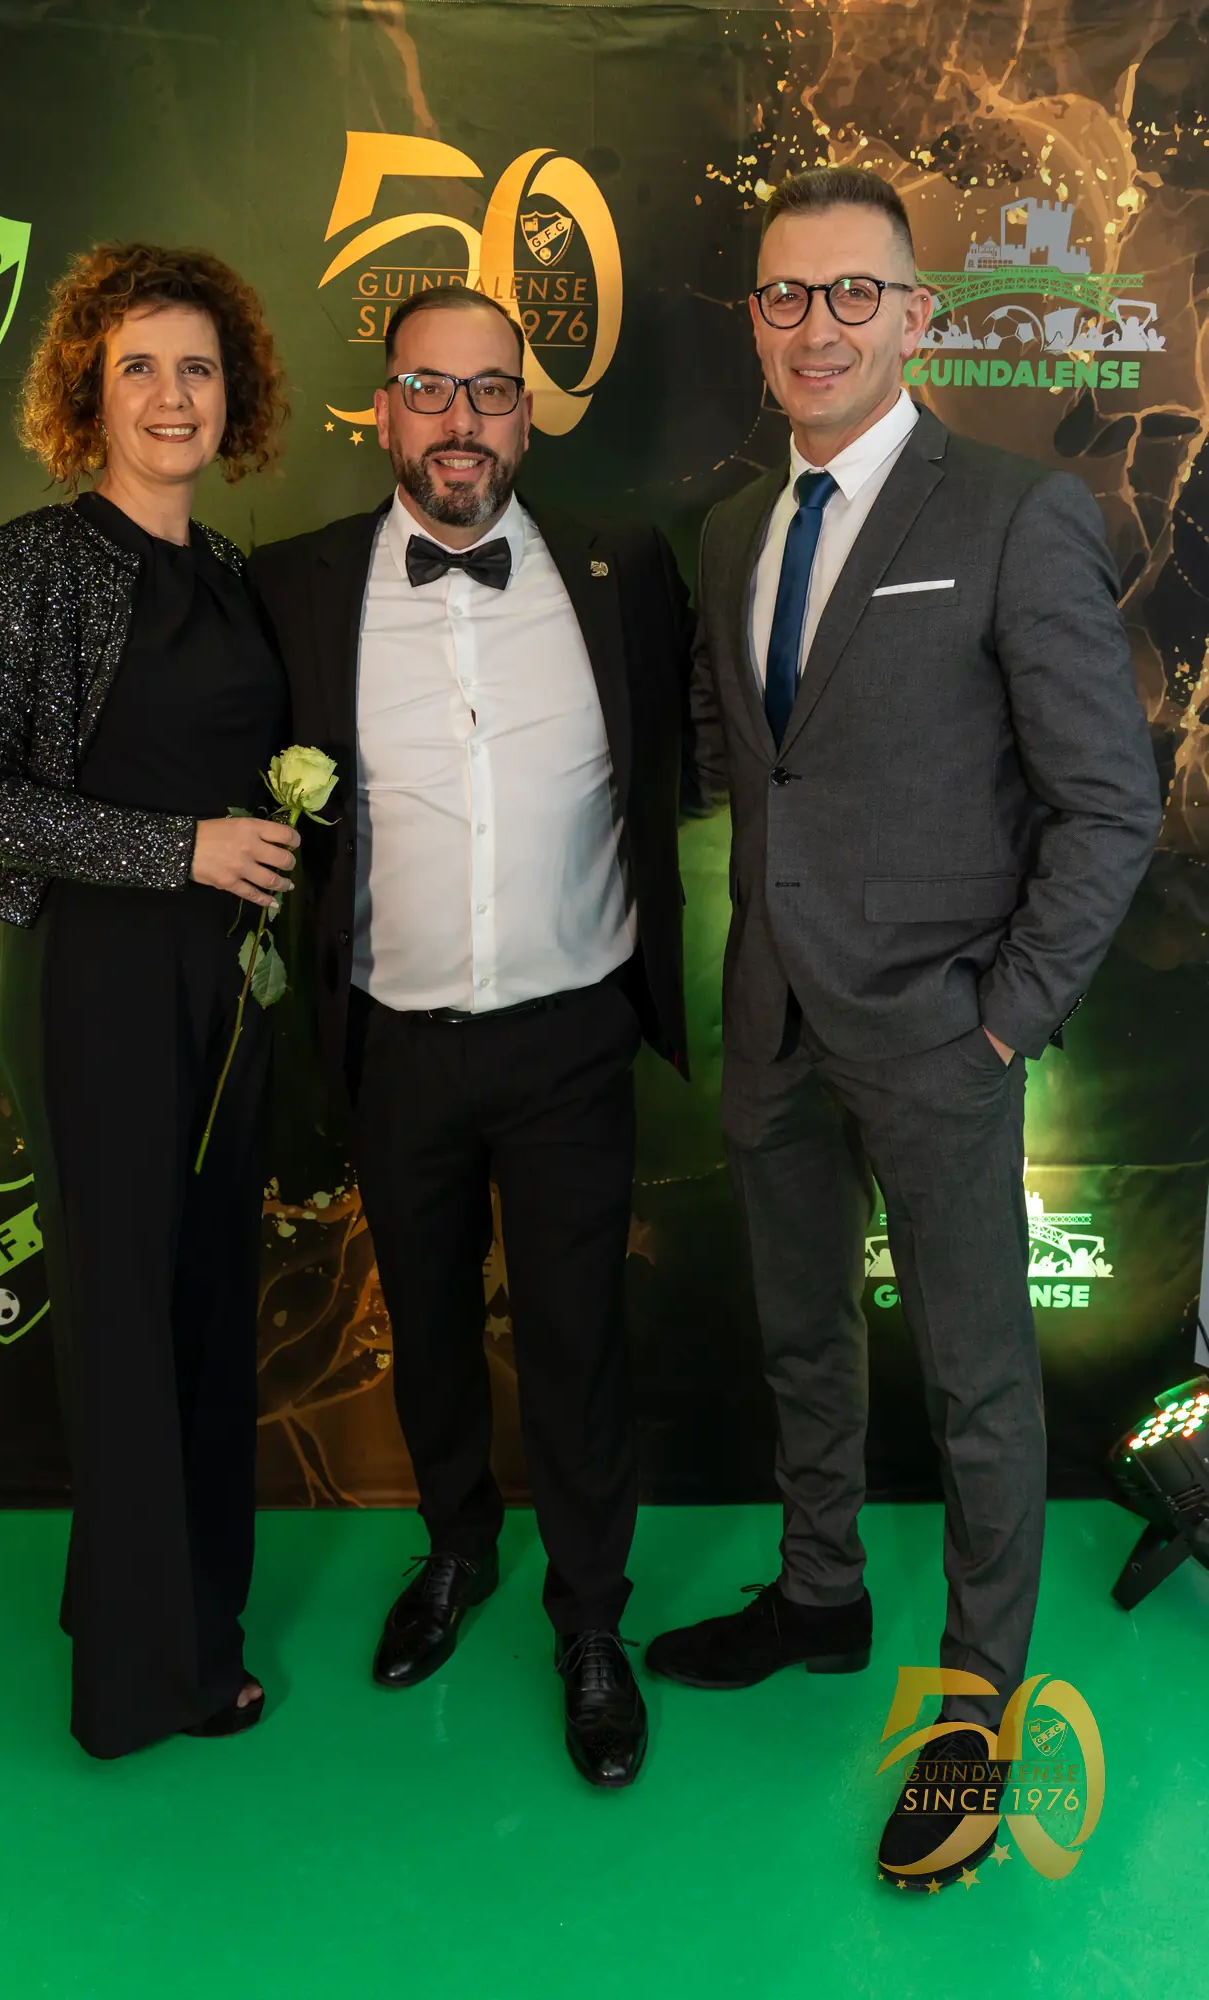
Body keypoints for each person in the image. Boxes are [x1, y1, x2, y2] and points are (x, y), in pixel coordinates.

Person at [649, 168, 1162, 1881]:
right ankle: (820, 1596)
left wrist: (1004, 1023)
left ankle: (977, 1703)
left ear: (916, 316)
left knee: (975, 1376)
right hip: (773, 1023)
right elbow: (759, 773)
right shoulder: (735, 533)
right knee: (803, 1338)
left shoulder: (1018, 513)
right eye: (787, 297)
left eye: (853, 293)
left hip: (945, 1037)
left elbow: (1110, 805)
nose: (819, 326)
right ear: (757, 323)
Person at [249, 287, 690, 1788]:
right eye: (430, 390)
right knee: (426, 1327)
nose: (460, 421)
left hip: (573, 1034)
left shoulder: (624, 569)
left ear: (527, 413)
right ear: (385, 409)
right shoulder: (297, 585)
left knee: (576, 1342)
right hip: (394, 1039)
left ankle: (592, 1617)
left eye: (490, 390)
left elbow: (695, 760)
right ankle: (456, 1549)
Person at [0, 243, 295, 1759]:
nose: (172, 394)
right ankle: (146, 1681)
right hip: (97, 984)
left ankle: (176, 1611)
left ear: (234, 395)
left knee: (205, 1304)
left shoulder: (237, 574)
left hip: (232, 988)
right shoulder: (34, 564)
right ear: (89, 388)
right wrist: (179, 850)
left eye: (198, 366)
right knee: (130, 1320)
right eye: (140, 365)